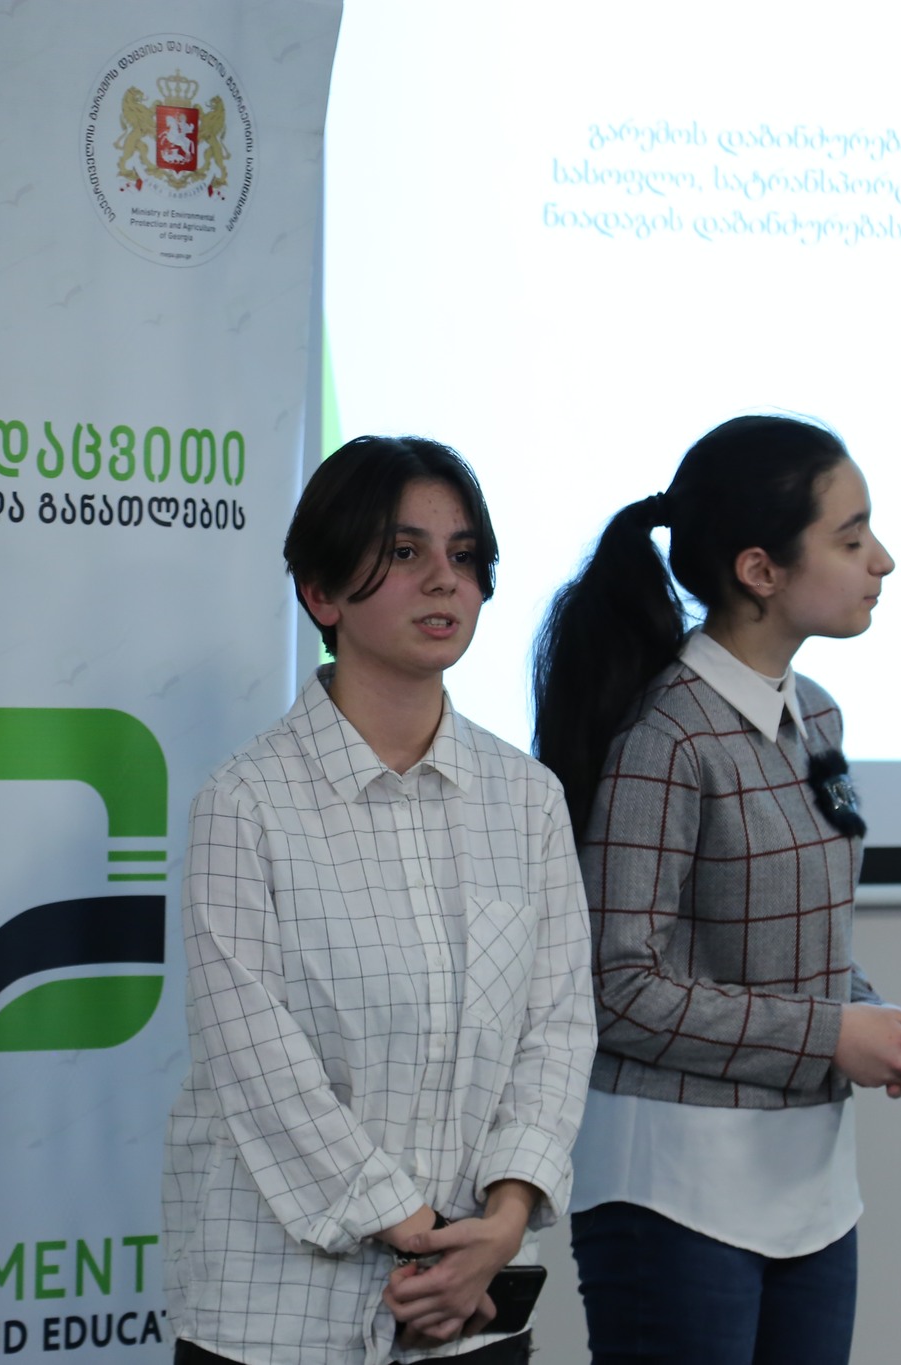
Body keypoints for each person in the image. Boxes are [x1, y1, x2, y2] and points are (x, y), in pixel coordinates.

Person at [531, 414, 901, 1365]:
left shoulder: (817, 714)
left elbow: (802, 935)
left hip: (810, 1183)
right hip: (676, 1187)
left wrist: (873, 1018)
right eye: (850, 538)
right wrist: (831, 1033)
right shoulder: (669, 735)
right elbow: (617, 986)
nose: (882, 560)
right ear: (760, 570)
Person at [165, 435, 597, 1365]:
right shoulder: (246, 802)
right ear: (322, 593)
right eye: (405, 552)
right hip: (280, 1316)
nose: (445, 579)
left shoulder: (528, 798)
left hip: (471, 1306)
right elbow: (259, 1062)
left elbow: (558, 1028)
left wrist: (501, 1223)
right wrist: (421, 1233)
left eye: (464, 555)